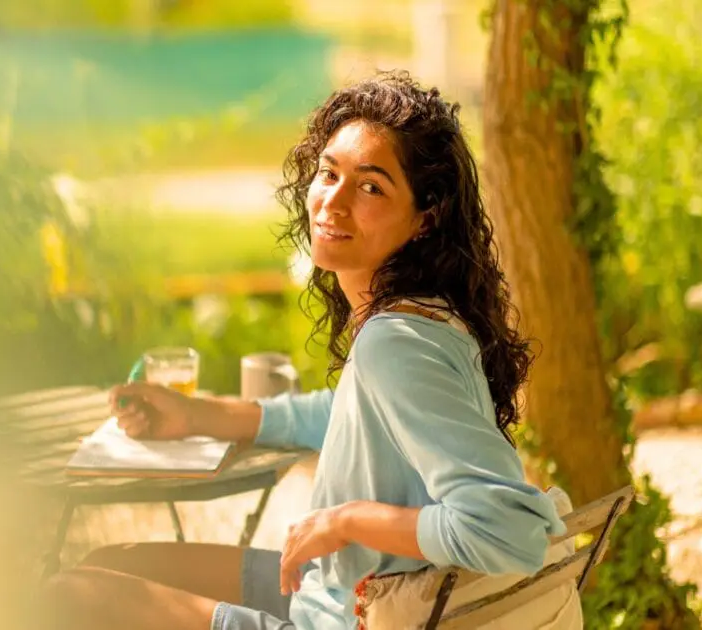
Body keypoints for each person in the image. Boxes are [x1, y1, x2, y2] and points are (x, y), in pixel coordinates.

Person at [40, 70, 568, 630]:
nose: (332, 202)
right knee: (112, 563)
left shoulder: (397, 343)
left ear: (425, 217)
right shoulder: (424, 317)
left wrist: (346, 521)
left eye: (371, 187)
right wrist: (197, 415)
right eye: (329, 173)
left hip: (342, 618)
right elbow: (345, 418)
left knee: (71, 596)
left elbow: (508, 527)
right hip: (335, 590)